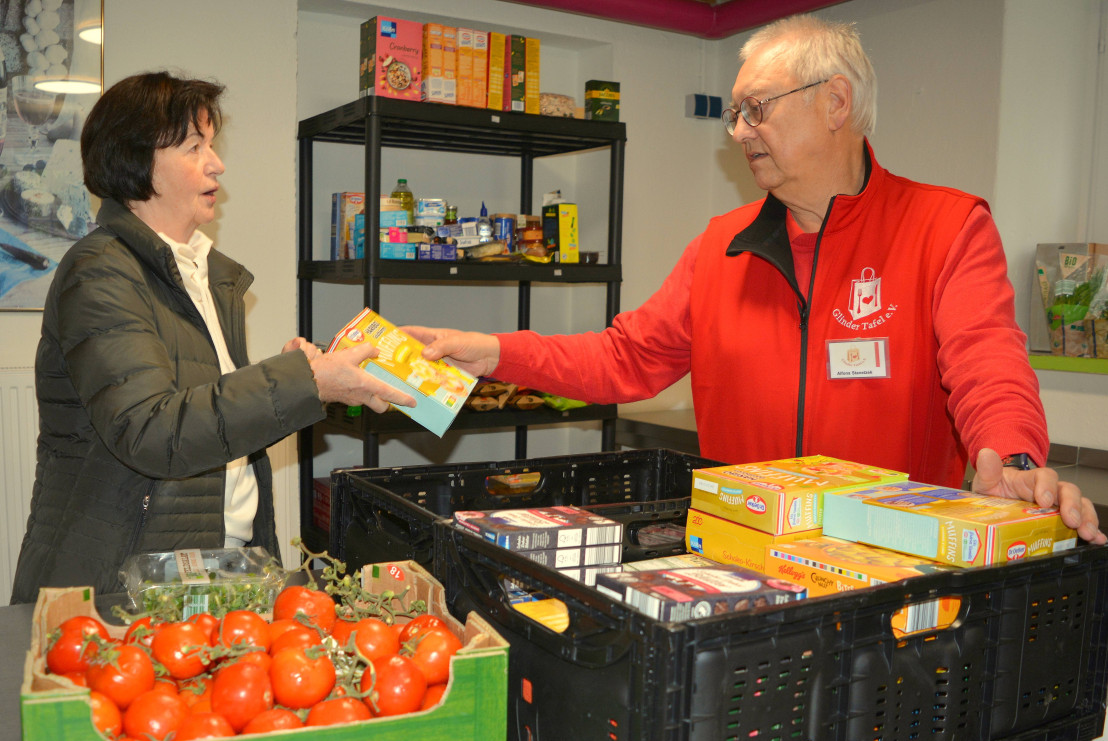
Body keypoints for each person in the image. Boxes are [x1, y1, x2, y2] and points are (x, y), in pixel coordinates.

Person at [408, 15, 1105, 546]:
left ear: (836, 103)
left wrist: (1012, 455)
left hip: (885, 565)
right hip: (740, 568)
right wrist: (494, 352)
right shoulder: (722, 248)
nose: (739, 132)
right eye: (733, 114)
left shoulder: (944, 228)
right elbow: (626, 358)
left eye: (757, 109)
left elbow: (987, 361)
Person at [9, 72, 414, 604]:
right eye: (194, 146)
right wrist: (301, 383)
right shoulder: (100, 270)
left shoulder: (203, 273)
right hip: (121, 580)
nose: (216, 162)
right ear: (136, 161)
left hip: (211, 564)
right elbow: (152, 431)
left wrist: (295, 382)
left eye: (212, 145)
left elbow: (205, 414)